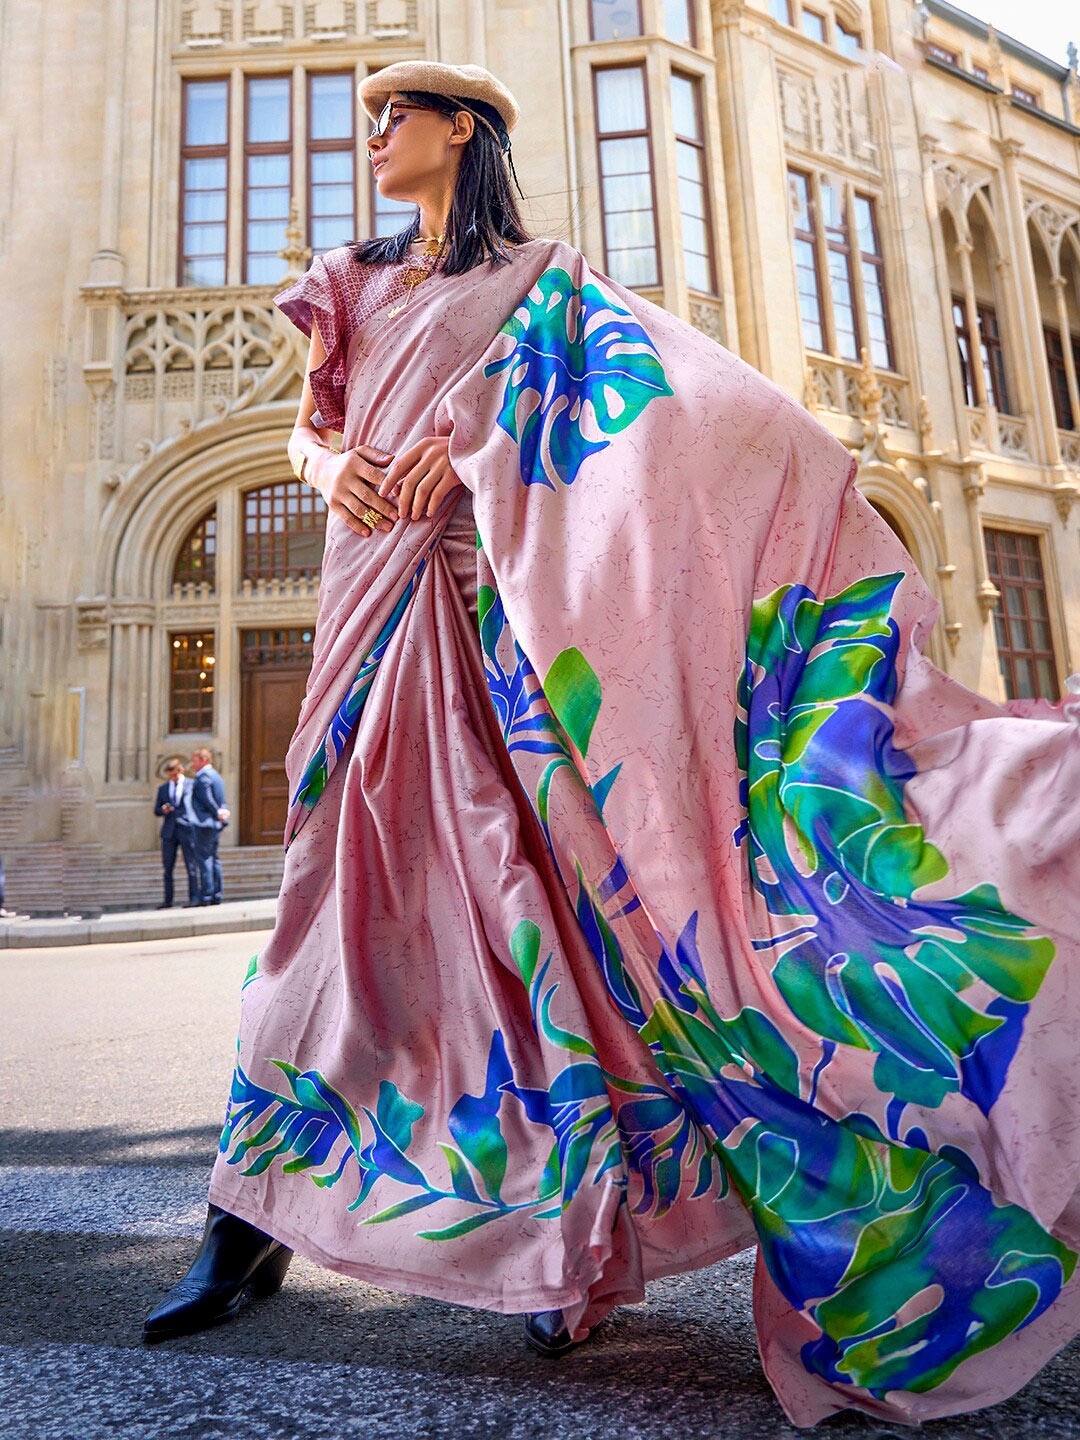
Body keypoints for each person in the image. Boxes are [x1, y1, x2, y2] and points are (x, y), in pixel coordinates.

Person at [143, 62, 1080, 1427]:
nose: (373, 139)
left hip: (480, 611)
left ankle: (525, 1230)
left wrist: (469, 447)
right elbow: (313, 421)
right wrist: (322, 466)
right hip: (364, 601)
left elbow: (661, 419)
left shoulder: (543, 285)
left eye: (394, 117)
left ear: (463, 127)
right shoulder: (347, 278)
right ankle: (256, 1220)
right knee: (327, 907)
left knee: (532, 918)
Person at [153, 758, 199, 909]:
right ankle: (168, 900)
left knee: (191, 865)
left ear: (181, 771)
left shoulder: (192, 785)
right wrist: (163, 810)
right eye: (170, 775)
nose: (172, 778)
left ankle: (194, 897)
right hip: (169, 831)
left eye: (174, 775)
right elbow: (156, 810)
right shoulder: (163, 788)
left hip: (187, 829)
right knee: (168, 868)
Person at [188, 747, 230, 906]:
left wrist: (218, 812)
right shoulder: (216, 776)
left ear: (204, 760)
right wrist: (221, 813)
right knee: (214, 859)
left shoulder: (203, 776)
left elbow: (207, 799)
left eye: (195, 760)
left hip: (205, 823)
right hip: (215, 823)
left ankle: (206, 895)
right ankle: (216, 894)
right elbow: (220, 799)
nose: (192, 764)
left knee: (204, 858)